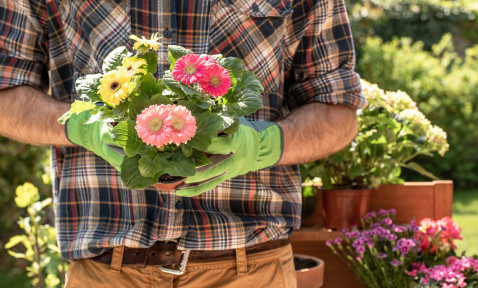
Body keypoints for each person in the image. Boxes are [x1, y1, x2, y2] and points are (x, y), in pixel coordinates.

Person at [0, 1, 366, 287]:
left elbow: (338, 109)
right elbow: (7, 95)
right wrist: (81, 125)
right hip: (106, 273)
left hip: (250, 270)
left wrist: (264, 144)